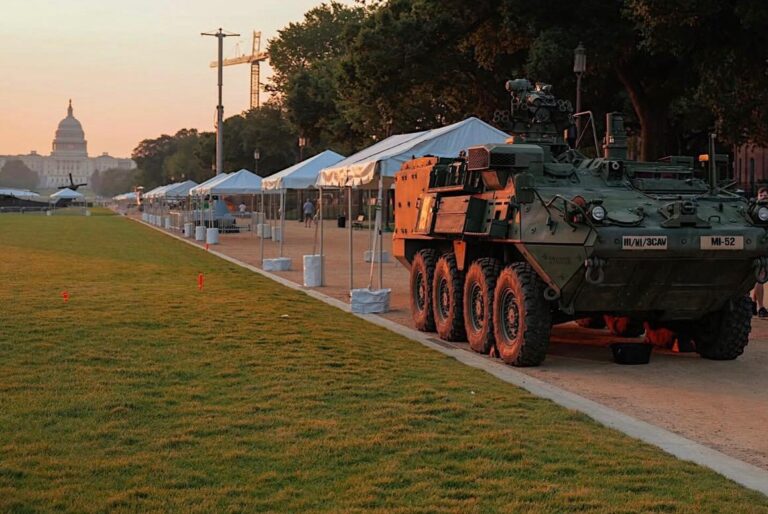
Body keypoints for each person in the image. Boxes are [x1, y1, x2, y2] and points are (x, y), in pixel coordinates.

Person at [752, 187, 768, 317]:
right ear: (757, 196)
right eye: (761, 195)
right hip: (758, 247)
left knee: (760, 277)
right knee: (760, 276)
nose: (764, 197)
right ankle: (761, 307)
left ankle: (753, 302)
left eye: (766, 196)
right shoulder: (753, 209)